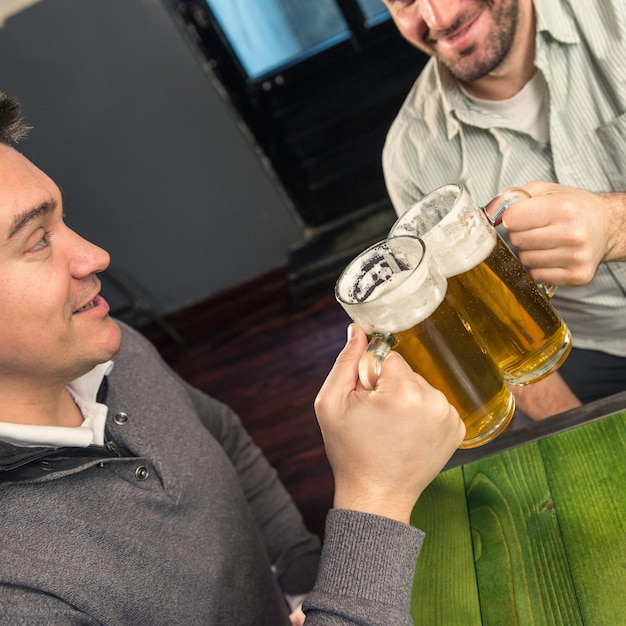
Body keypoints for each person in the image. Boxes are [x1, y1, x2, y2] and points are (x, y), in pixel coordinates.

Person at [0, 91, 465, 625]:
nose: (95, 255)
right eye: (37, 241)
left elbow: (223, 436)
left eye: (63, 221)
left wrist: (306, 578)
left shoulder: (113, 347)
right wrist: (375, 497)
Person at [380, 0, 626, 420]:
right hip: (587, 348)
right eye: (404, 1)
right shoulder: (410, 156)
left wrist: (613, 225)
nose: (438, 19)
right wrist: (572, 433)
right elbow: (492, 337)